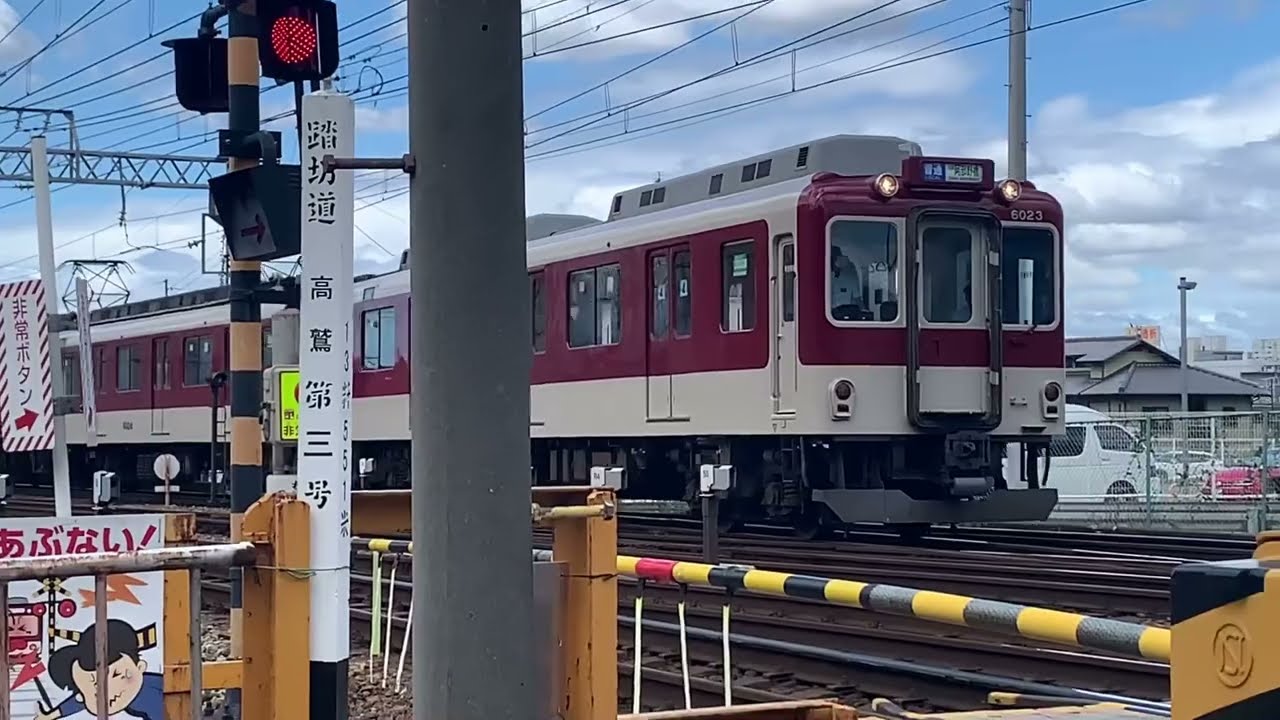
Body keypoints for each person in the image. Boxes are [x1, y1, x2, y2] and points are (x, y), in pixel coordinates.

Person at [36, 619, 163, 720]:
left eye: (116, 674)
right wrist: (51, 716)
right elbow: (78, 701)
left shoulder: (155, 693)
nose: (107, 688)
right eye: (95, 686)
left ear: (140, 667)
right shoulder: (99, 696)